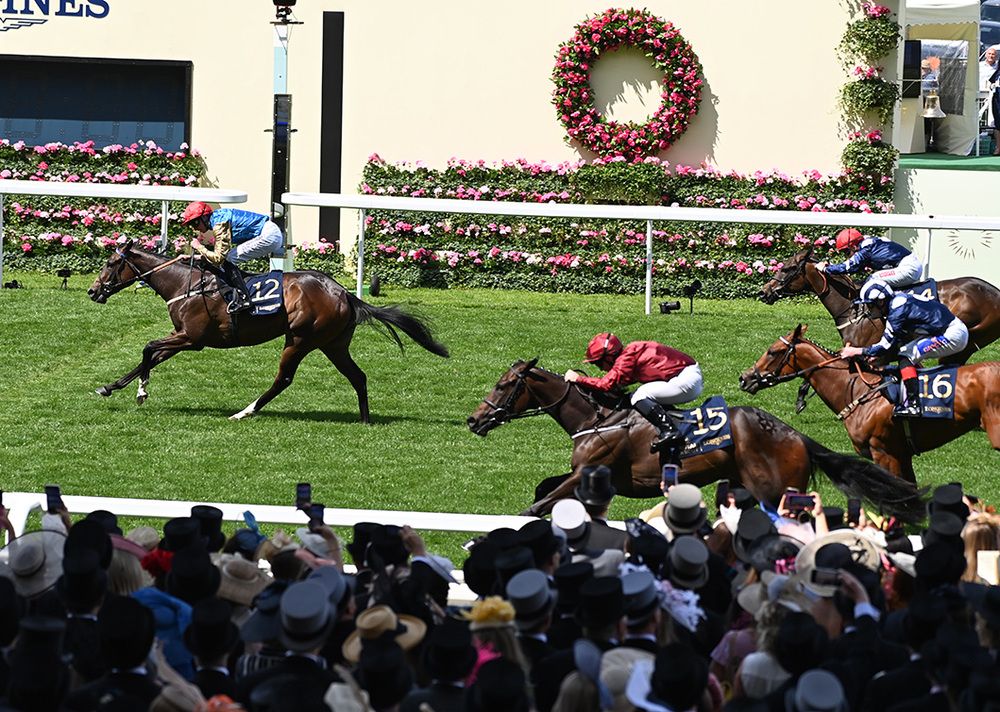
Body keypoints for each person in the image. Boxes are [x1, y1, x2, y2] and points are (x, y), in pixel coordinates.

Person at [840, 280, 969, 417]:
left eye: (870, 305)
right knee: (905, 351)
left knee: (905, 357)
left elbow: (884, 345)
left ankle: (914, 405)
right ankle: (915, 386)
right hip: (947, 329)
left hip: (952, 335)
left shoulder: (896, 312)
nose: (868, 309)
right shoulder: (896, 301)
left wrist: (856, 351)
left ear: (881, 302)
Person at [565, 332, 703, 453]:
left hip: (686, 380)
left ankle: (670, 431)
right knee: (637, 395)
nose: (601, 369)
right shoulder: (630, 353)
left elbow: (606, 384)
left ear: (609, 357)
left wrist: (578, 379)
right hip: (686, 376)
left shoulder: (626, 358)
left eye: (599, 364)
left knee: (640, 395)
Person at [180, 201, 285, 314]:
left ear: (204, 218)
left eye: (195, 223)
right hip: (269, 232)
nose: (195, 228)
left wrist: (199, 246)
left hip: (269, 235)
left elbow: (218, 258)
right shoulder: (218, 219)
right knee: (229, 258)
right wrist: (196, 257)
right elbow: (219, 256)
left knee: (229, 258)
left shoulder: (220, 224)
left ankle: (244, 299)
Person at [816, 228, 923, 293]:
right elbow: (853, 267)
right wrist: (831, 266)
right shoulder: (868, 243)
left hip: (908, 267)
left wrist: (826, 269)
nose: (847, 256)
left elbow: (848, 267)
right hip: (909, 265)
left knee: (874, 278)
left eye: (846, 252)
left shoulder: (866, 248)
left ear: (853, 246)